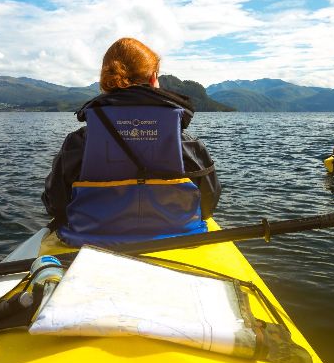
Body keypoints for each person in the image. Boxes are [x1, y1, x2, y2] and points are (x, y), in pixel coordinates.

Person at [42, 37, 220, 247]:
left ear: (106, 83)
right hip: (177, 242)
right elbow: (208, 205)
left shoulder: (78, 144)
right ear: (154, 79)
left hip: (88, 243)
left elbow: (55, 205)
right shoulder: (187, 145)